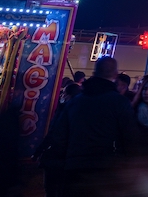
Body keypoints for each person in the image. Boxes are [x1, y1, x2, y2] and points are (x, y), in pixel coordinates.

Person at [52, 57, 136, 195]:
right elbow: (129, 136)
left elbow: (60, 134)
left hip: (74, 164)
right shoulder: (119, 102)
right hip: (105, 166)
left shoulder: (76, 101)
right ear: (115, 74)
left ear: (94, 72)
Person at [33, 83, 81, 197]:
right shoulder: (81, 111)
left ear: (68, 95)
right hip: (71, 158)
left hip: (56, 156)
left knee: (51, 188)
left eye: (64, 93)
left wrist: (38, 152)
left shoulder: (64, 110)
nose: (61, 96)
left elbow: (53, 133)